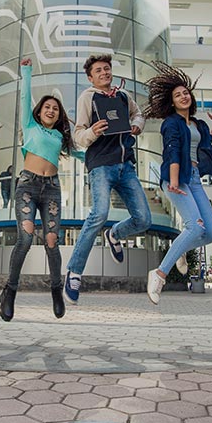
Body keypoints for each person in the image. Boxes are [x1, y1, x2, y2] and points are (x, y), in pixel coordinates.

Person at [63, 54, 151, 305]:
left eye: (107, 69)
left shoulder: (123, 96)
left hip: (127, 166)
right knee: (99, 213)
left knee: (143, 219)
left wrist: (137, 125)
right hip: (101, 164)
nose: (104, 72)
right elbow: (78, 135)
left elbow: (138, 115)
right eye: (98, 70)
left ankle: (115, 234)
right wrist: (93, 131)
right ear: (91, 77)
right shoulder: (88, 97)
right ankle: (75, 271)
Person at [0, 58, 75, 321]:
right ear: (39, 111)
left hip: (52, 188)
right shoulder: (30, 127)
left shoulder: (60, 137)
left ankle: (55, 289)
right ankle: (10, 291)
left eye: (55, 108)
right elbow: (24, 98)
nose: (51, 110)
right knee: (26, 238)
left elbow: (83, 153)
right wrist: (26, 72)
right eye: (47, 107)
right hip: (28, 186)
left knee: (52, 241)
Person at [142, 62, 212, 304]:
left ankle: (181, 249)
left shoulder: (197, 124)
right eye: (178, 95)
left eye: (185, 92)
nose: (183, 96)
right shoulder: (171, 123)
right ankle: (159, 274)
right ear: (171, 102)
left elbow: (203, 144)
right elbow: (173, 151)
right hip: (177, 178)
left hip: (194, 180)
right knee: (195, 227)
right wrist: (174, 180)